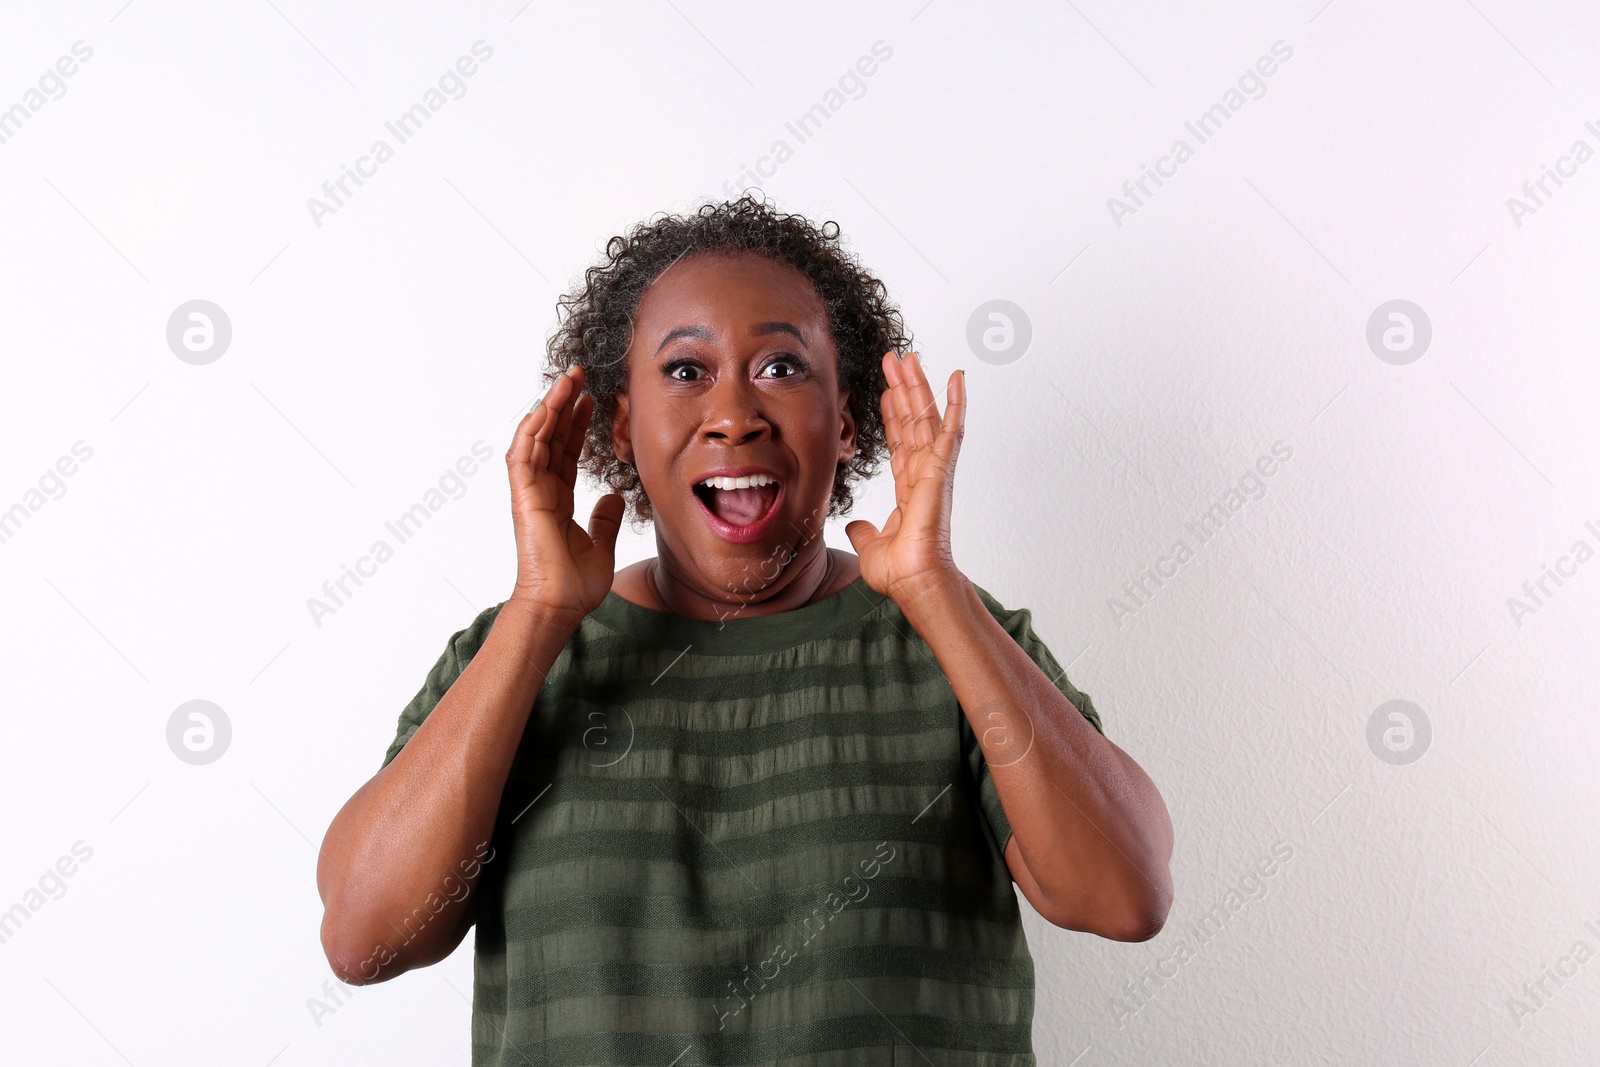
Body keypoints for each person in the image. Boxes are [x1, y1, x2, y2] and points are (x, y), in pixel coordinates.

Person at [316, 195, 1174, 1066]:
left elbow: (1125, 896)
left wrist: (936, 593)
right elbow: (365, 941)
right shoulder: (511, 659)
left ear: (845, 421)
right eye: (686, 371)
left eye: (780, 367)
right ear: (622, 425)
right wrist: (538, 613)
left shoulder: (956, 644)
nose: (734, 414)